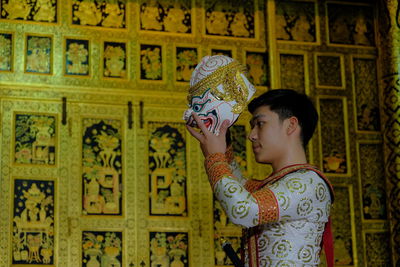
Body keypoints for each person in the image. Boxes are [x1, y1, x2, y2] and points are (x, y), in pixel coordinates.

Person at [185, 57, 334, 266]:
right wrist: (221, 143)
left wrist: (215, 158)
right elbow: (241, 188)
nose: (251, 135)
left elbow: (243, 209)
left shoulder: (310, 183)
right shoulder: (279, 183)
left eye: (260, 124)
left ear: (291, 125)